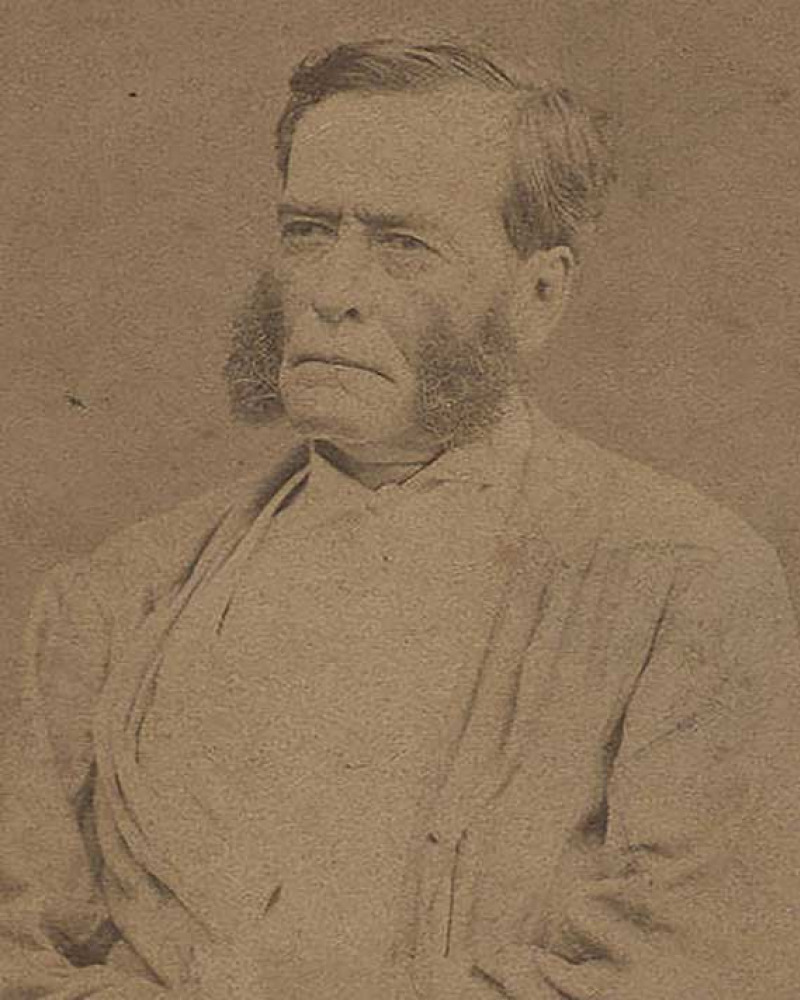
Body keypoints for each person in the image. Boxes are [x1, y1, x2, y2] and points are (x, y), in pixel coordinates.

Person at [2, 38, 799, 1000]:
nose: (334, 293)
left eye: (403, 244)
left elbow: (699, 968)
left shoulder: (685, 587)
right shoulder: (119, 595)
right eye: (307, 232)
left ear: (539, 293)